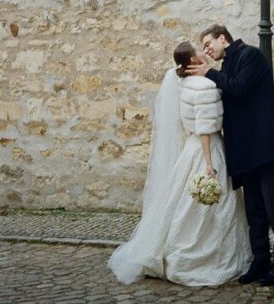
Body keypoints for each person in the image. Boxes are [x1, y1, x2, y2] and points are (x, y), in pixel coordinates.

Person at [108, 41, 252, 287]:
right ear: (193, 61)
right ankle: (201, 258)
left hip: (192, 147)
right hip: (208, 149)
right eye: (199, 50)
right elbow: (206, 128)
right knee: (212, 204)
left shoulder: (183, 83)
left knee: (184, 204)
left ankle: (172, 248)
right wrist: (209, 164)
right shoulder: (205, 86)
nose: (203, 52)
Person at [187, 24, 274, 287]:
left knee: (273, 206)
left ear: (223, 38)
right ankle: (260, 262)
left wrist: (208, 72)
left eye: (209, 44)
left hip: (267, 147)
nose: (207, 50)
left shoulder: (251, 55)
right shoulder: (226, 66)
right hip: (246, 151)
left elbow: (240, 88)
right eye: (204, 48)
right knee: (255, 210)